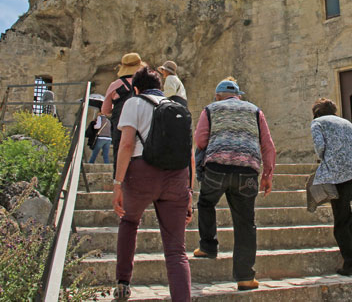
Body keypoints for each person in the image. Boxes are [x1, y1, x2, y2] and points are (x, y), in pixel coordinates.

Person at [112, 66, 194, 302]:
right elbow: (188, 154)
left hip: (141, 174)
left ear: (136, 88)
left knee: (129, 221)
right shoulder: (178, 108)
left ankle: (123, 282)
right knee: (176, 250)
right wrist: (189, 191)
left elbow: (126, 144)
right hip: (176, 177)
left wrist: (118, 183)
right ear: (160, 88)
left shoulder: (134, 103)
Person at [193, 78, 276, 291]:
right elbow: (267, 145)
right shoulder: (256, 111)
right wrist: (267, 174)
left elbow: (200, 140)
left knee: (206, 202)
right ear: (238, 95)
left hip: (217, 168)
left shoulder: (210, 109)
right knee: (245, 223)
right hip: (247, 170)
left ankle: (208, 246)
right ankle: (245, 277)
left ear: (218, 95)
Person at [309, 98, 352, 276]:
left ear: (316, 112)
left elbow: (320, 148)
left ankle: (351, 263)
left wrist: (327, 159)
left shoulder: (317, 123)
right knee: (343, 206)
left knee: (340, 221)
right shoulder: (347, 123)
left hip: (339, 173)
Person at [102, 53, 145, 177]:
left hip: (120, 123)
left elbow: (105, 110)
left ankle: (119, 181)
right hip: (141, 122)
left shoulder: (115, 85)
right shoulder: (144, 85)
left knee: (119, 151)